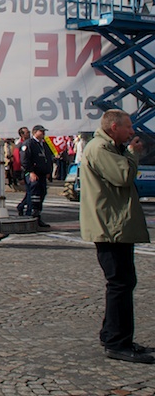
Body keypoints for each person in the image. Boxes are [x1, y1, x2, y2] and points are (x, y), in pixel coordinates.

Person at [79, 109, 153, 364]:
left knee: (122, 282)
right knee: (121, 283)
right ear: (114, 127)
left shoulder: (108, 147)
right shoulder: (100, 148)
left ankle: (114, 335)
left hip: (114, 225)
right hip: (111, 227)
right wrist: (132, 154)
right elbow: (123, 176)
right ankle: (117, 342)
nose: (132, 131)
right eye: (128, 127)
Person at [19, 124, 54, 227]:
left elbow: (48, 157)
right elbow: (24, 159)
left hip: (42, 174)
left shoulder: (43, 144)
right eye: (41, 131)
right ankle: (30, 216)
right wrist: (30, 172)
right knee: (34, 195)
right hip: (33, 174)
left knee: (42, 194)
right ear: (35, 132)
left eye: (44, 132)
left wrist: (49, 171)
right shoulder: (29, 144)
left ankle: (37, 216)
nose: (43, 133)